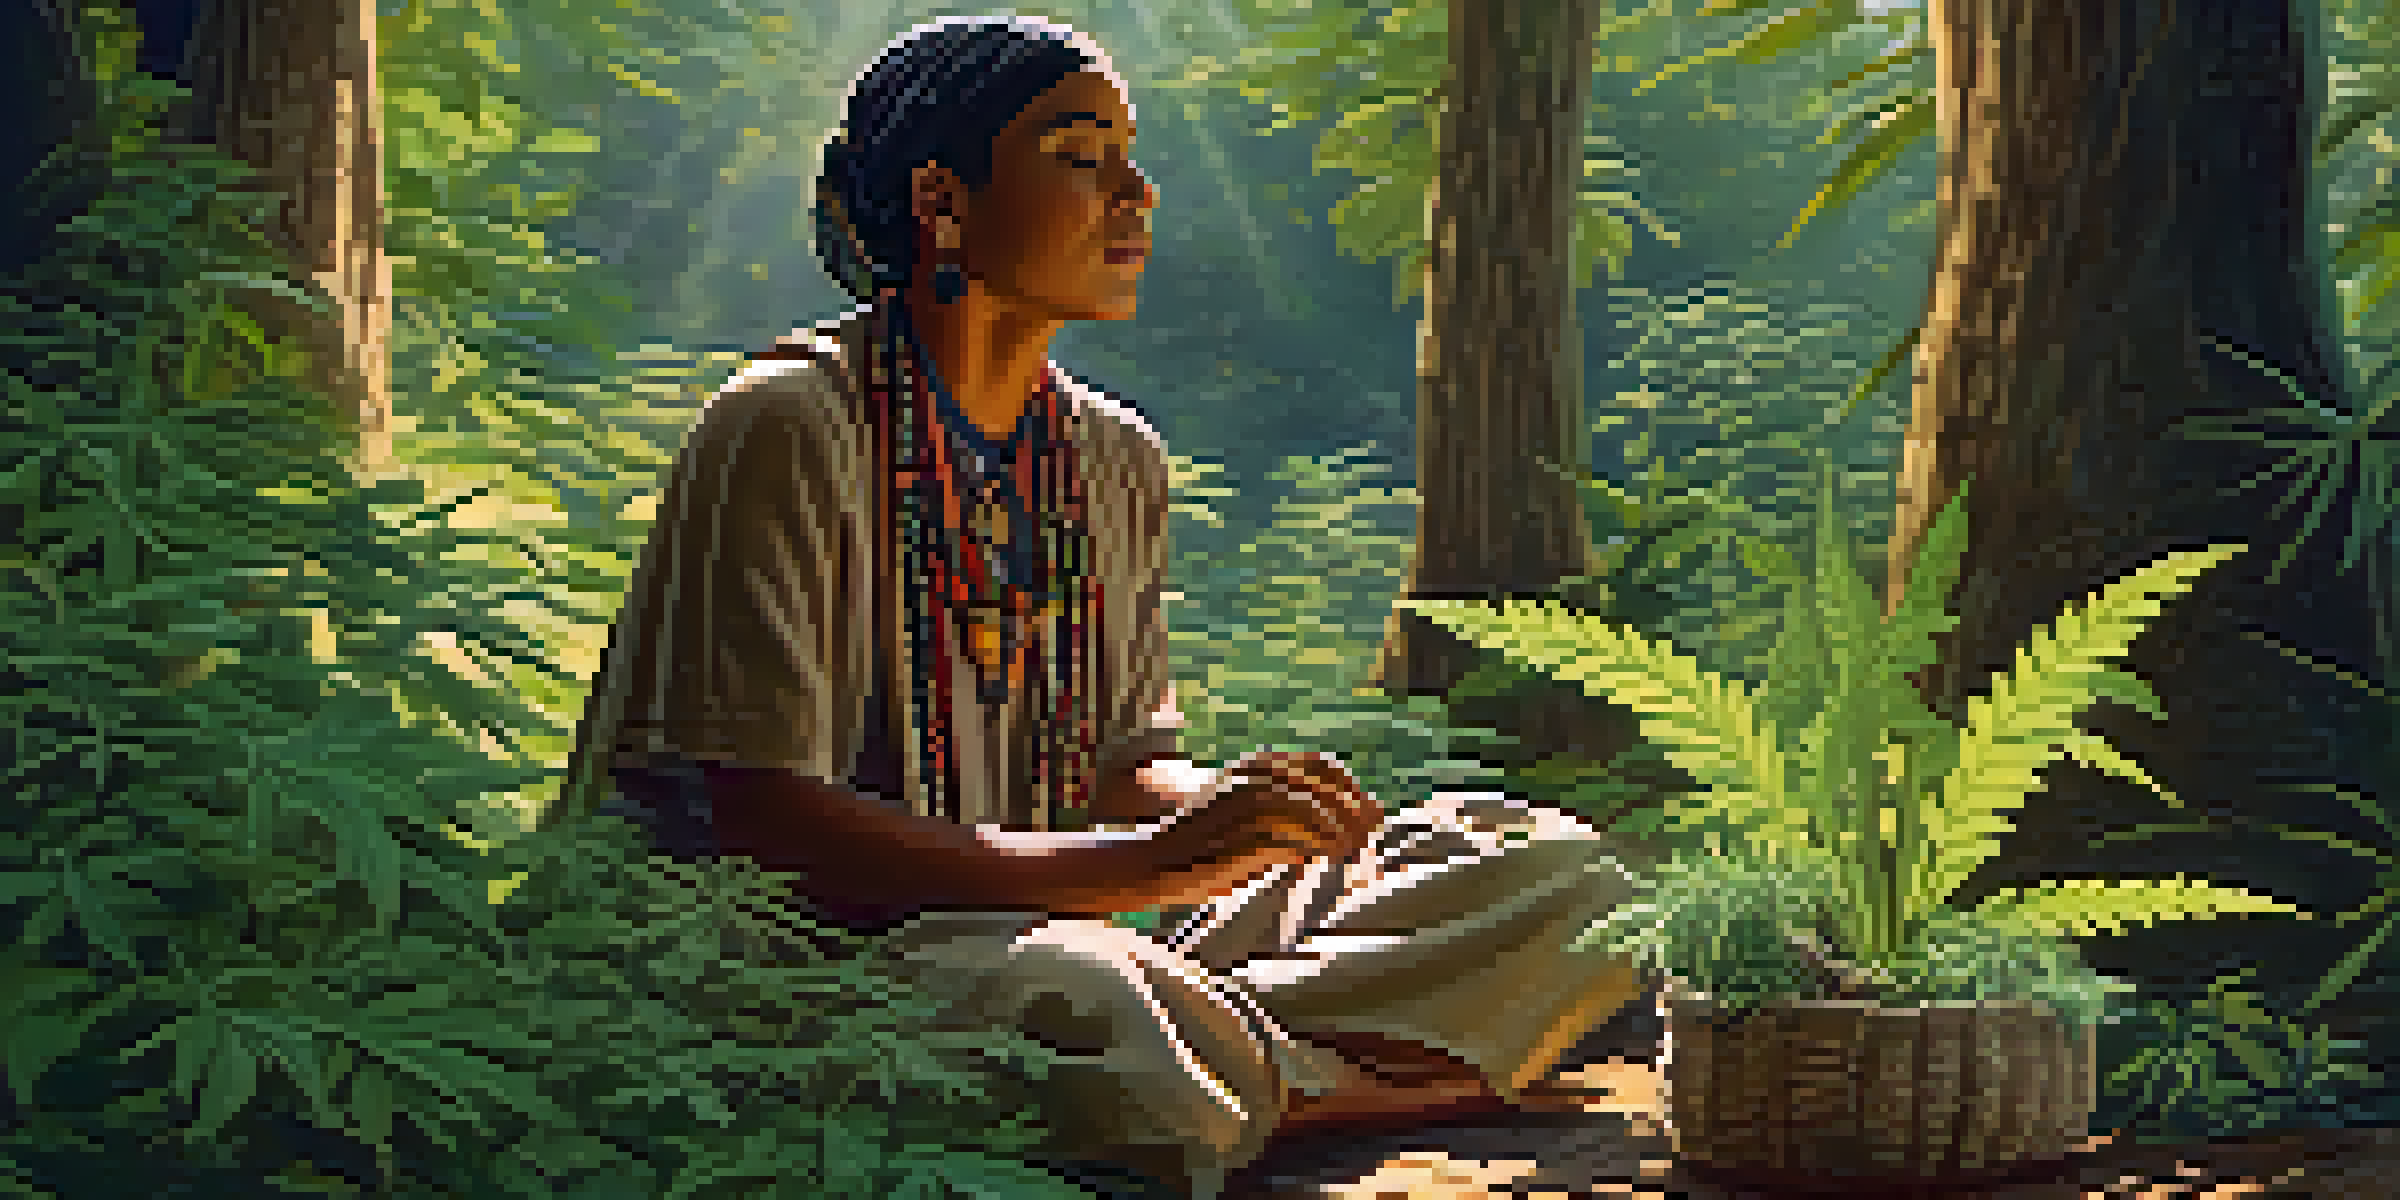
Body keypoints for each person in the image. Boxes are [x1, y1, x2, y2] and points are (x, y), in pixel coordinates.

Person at [560, 15, 1647, 1200]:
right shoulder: (791, 425)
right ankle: (1349, 1080)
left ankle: (1247, 1075)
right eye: (1082, 156)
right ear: (943, 200)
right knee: (1087, 1000)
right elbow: (768, 823)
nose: (1137, 193)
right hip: (827, 953)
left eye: (1131, 156)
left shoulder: (1112, 456)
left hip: (1068, 905)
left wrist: (1241, 815)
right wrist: (1138, 865)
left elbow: (1127, 763)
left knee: (1544, 869)